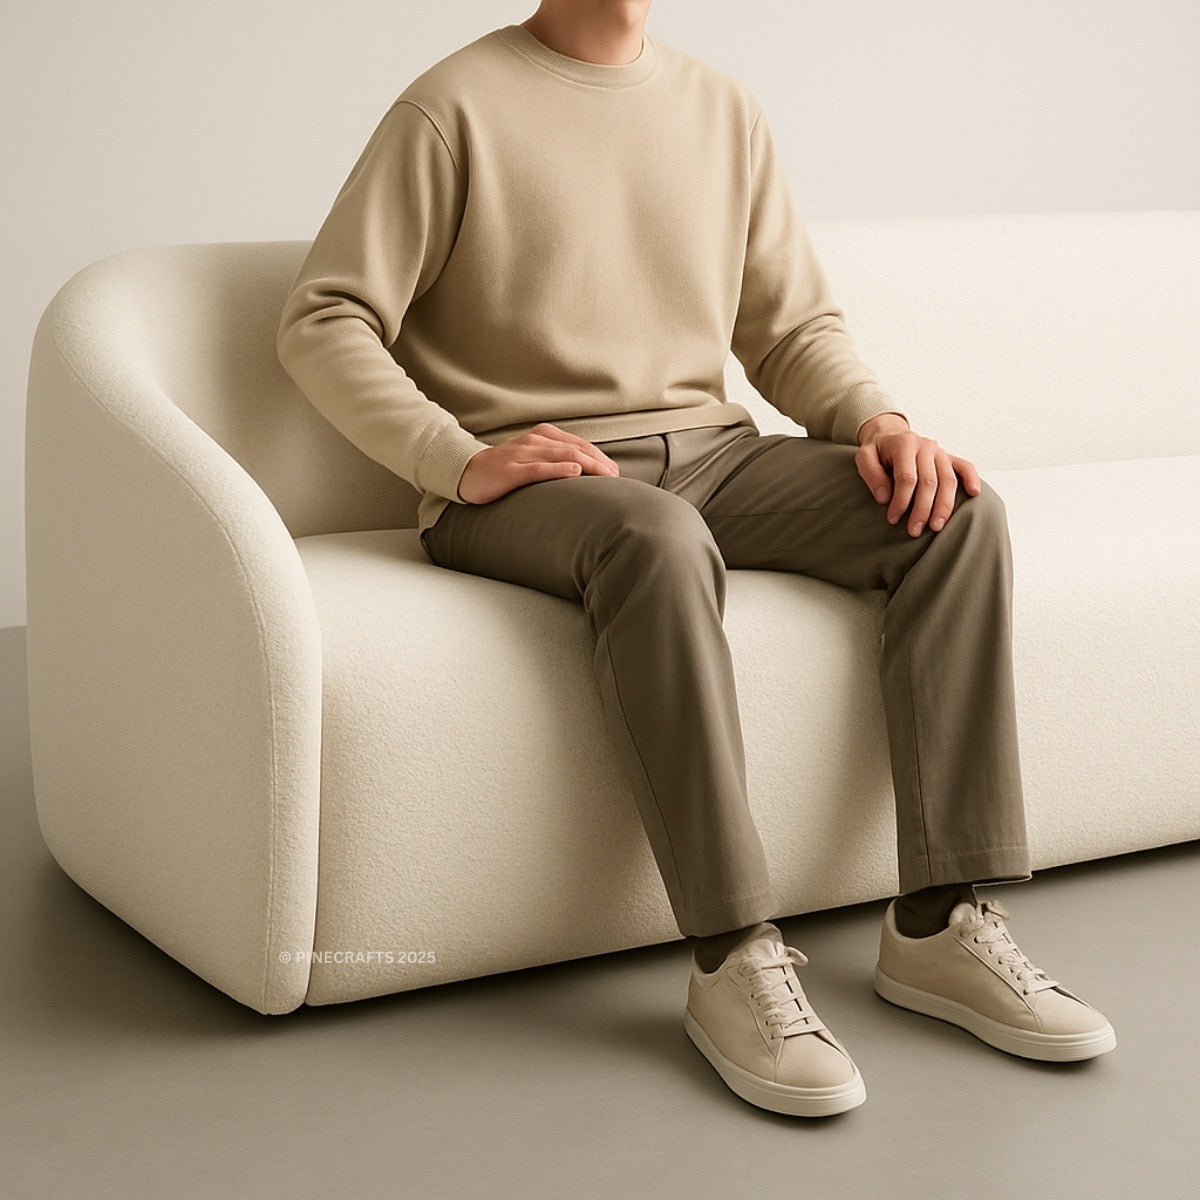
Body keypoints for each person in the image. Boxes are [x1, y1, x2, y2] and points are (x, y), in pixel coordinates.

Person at [276, 0, 1116, 1117]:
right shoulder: (453, 107)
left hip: (717, 457)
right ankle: (733, 954)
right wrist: (457, 456)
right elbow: (324, 316)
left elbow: (789, 330)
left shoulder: (722, 109)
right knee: (654, 535)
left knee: (954, 512)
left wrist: (877, 423)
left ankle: (939, 924)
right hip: (538, 489)